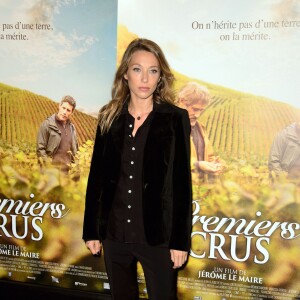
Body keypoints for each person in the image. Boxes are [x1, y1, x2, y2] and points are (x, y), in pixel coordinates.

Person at [82, 38, 192, 300]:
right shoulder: (109, 117)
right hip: (114, 234)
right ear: (125, 75)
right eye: (137, 69)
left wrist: (179, 241)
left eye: (153, 70)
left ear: (159, 77)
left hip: (157, 237)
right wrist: (91, 230)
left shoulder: (175, 118)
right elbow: (96, 177)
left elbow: (181, 185)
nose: (145, 78)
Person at [178, 82, 225, 183]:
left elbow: (209, 155)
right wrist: (197, 165)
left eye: (201, 110)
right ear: (182, 101)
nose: (197, 115)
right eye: (195, 109)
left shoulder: (201, 128)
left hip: (199, 187)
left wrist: (216, 163)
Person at [36, 95, 78, 174]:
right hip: (50, 174)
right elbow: (40, 150)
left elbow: (75, 151)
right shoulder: (47, 124)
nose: (65, 112)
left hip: (66, 175)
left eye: (68, 110)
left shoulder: (72, 128)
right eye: (63, 108)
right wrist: (49, 168)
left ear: (72, 112)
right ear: (59, 106)